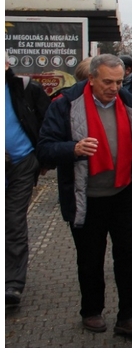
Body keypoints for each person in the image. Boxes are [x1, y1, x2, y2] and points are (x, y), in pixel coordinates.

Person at [36, 54, 132, 336]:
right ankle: (91, 311)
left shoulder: (130, 103)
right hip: (85, 195)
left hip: (123, 191)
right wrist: (72, 149)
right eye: (108, 82)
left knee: (128, 255)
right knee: (90, 257)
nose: (114, 88)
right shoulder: (65, 105)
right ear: (92, 79)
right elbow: (45, 147)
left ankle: (130, 316)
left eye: (119, 82)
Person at [6, 54, 51, 307]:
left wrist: (43, 159)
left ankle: (12, 283)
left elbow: (46, 122)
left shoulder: (24, 88)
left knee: (13, 220)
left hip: (21, 163)